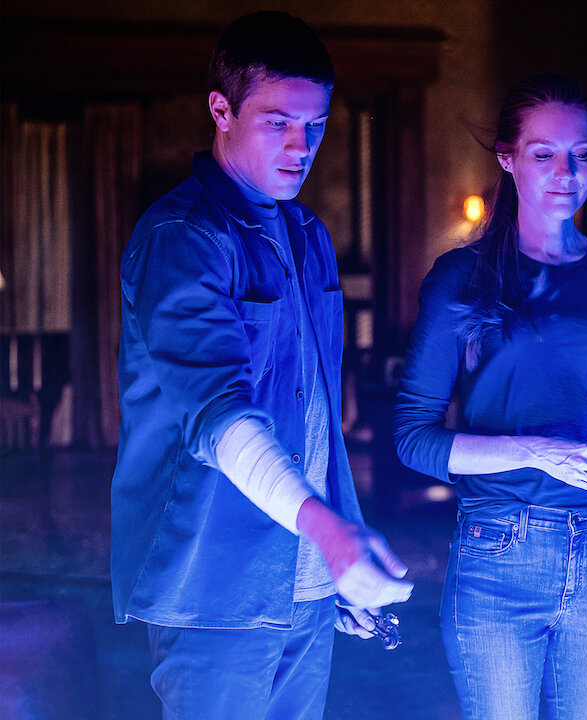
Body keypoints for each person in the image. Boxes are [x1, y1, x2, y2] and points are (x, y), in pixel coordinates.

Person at [111, 12, 414, 719]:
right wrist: (330, 534)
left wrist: (336, 558)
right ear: (221, 109)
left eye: (316, 125)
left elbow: (316, 418)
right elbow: (221, 419)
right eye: (278, 122)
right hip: (211, 584)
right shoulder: (183, 237)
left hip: (306, 585)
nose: (301, 147)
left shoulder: (308, 235)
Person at [394, 73, 587, 720]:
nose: (566, 172)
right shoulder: (461, 278)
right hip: (498, 554)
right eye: (544, 153)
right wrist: (534, 451)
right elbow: (413, 437)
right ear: (508, 158)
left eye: (581, 154)